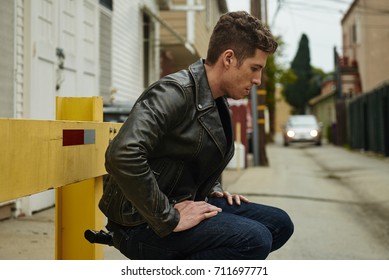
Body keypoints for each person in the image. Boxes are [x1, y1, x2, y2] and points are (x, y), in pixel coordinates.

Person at [98, 11, 293, 260]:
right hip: (141, 222)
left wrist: (214, 188)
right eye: (255, 68)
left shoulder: (216, 100)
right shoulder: (173, 93)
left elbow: (189, 156)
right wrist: (168, 217)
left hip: (186, 201)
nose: (257, 80)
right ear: (229, 59)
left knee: (279, 224)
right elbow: (122, 154)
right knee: (254, 240)